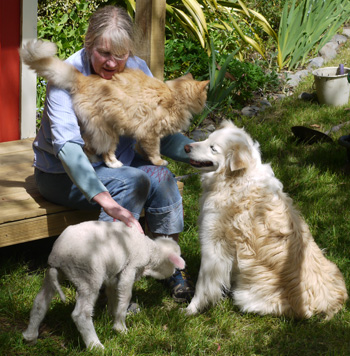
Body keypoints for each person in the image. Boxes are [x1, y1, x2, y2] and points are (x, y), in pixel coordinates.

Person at [33, 5, 194, 303]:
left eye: (119, 56)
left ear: (129, 51)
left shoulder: (137, 70)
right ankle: (111, 281)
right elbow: (67, 150)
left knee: (162, 175)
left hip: (116, 168)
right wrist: (107, 201)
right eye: (103, 53)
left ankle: (169, 265)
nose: (111, 63)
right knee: (132, 181)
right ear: (88, 43)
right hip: (61, 175)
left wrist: (195, 152)